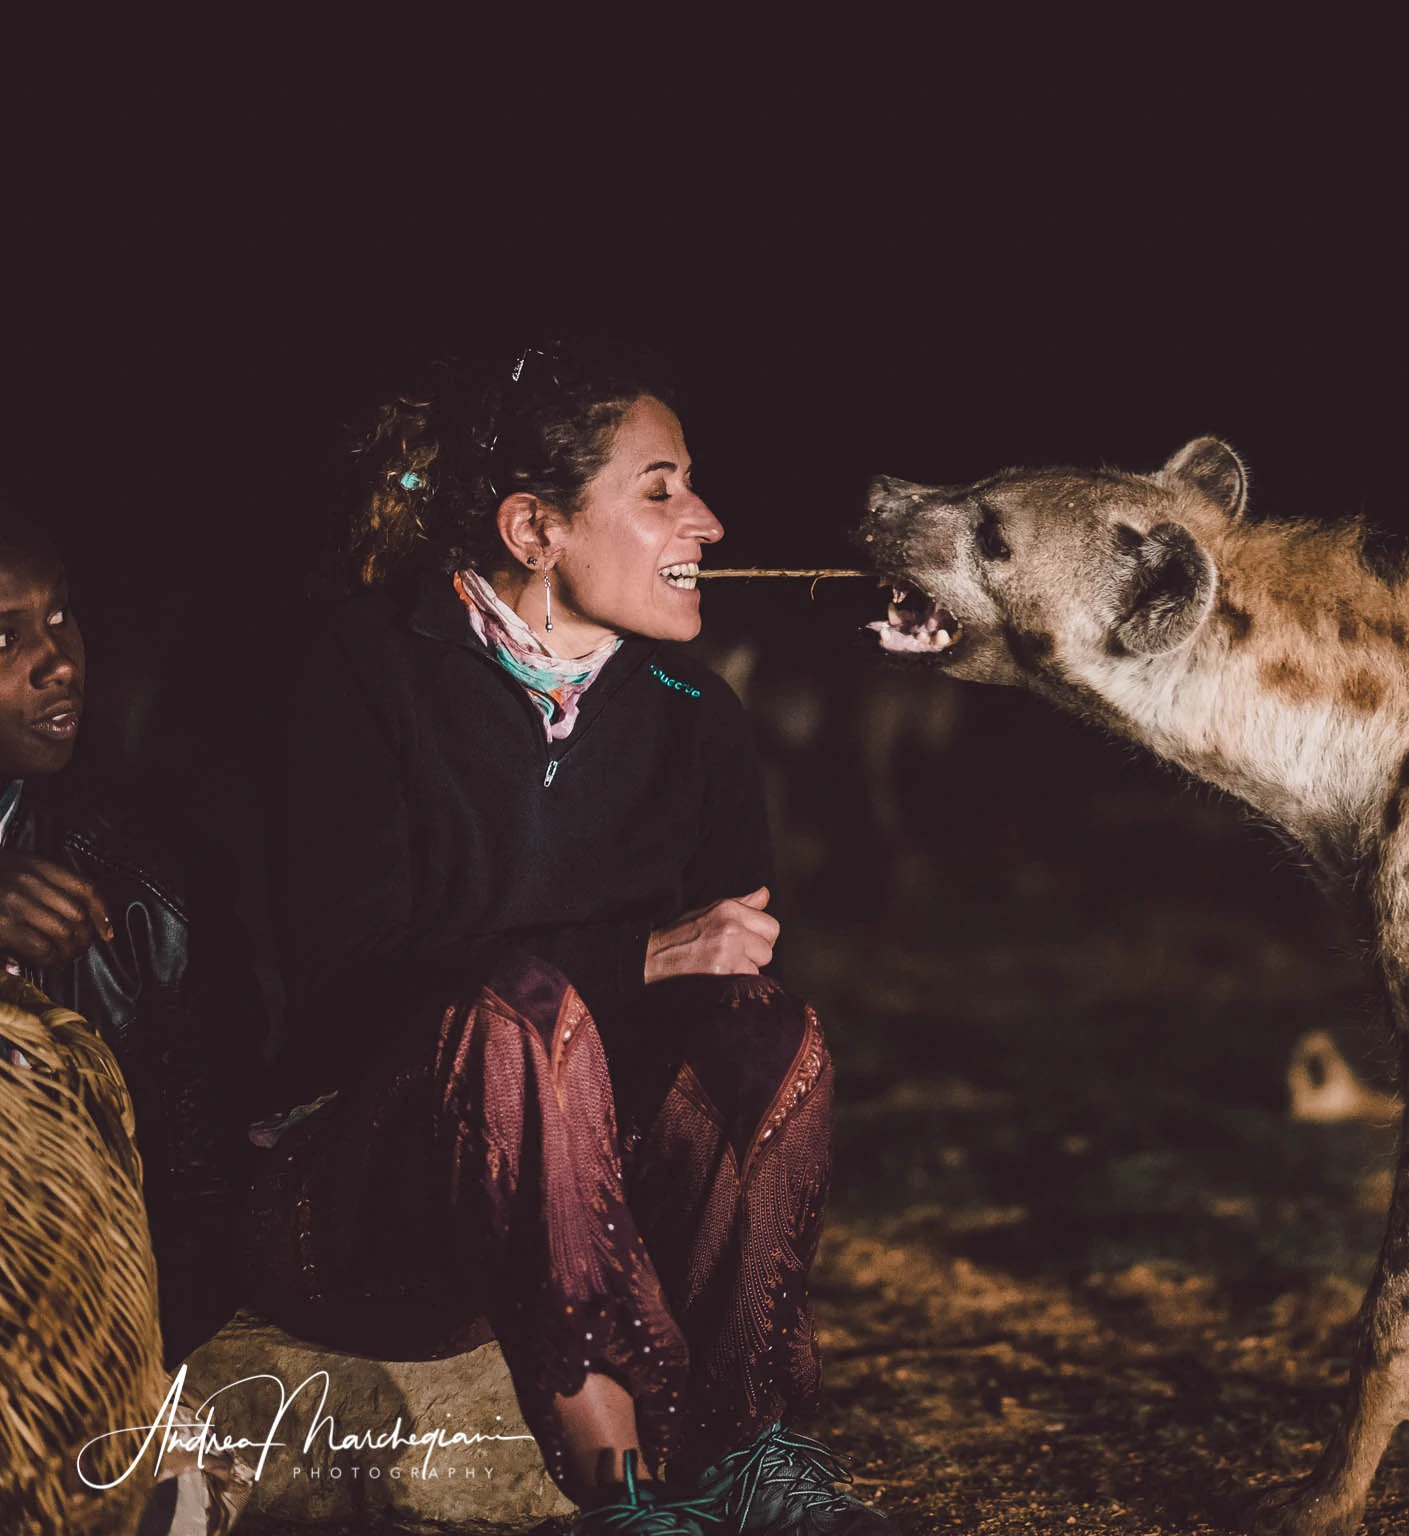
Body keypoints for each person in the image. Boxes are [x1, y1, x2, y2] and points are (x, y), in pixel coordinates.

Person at [249, 347, 898, 1535]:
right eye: (659, 491)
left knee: (770, 1030)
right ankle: (621, 1489)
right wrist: (633, 957)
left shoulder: (695, 717)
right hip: (368, 1194)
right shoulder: (366, 670)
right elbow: (349, 986)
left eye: (692, 486)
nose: (704, 519)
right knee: (518, 1014)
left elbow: (718, 1018)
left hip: (587, 1205)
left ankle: (742, 1449)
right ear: (533, 528)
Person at [0, 510, 262, 1368]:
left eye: (62, 616)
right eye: (4, 637)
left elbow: (195, 1187)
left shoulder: (133, 883)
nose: (62, 663)